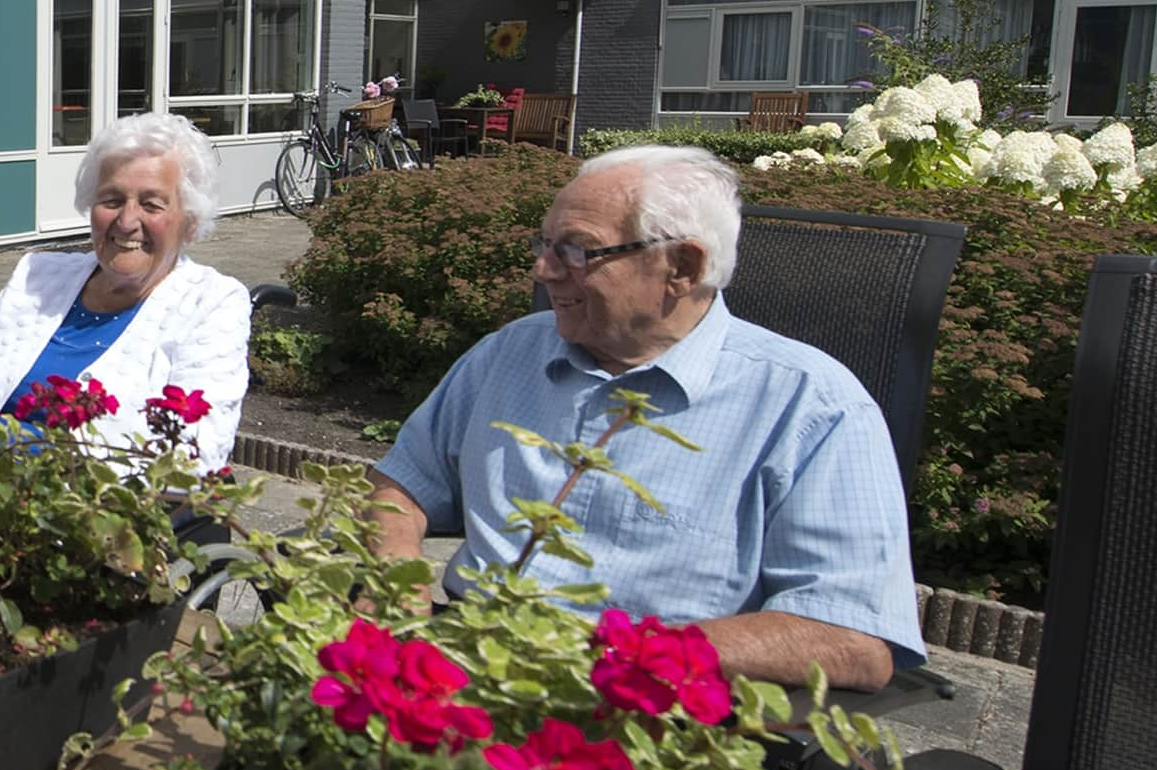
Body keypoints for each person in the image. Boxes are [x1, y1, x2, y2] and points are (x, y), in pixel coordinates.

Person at [368, 145, 923, 690]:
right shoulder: (510, 353)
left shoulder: (811, 406)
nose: (543, 270)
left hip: (633, 706)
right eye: (544, 244)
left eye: (577, 251)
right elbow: (405, 480)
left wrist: (630, 654)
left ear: (682, 267)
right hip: (454, 666)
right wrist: (396, 561)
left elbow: (852, 636)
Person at [0, 112, 250, 473]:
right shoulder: (38, 275)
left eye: (151, 204)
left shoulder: (212, 304)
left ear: (189, 223)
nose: (126, 222)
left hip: (86, 516)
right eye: (111, 199)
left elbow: (194, 454)